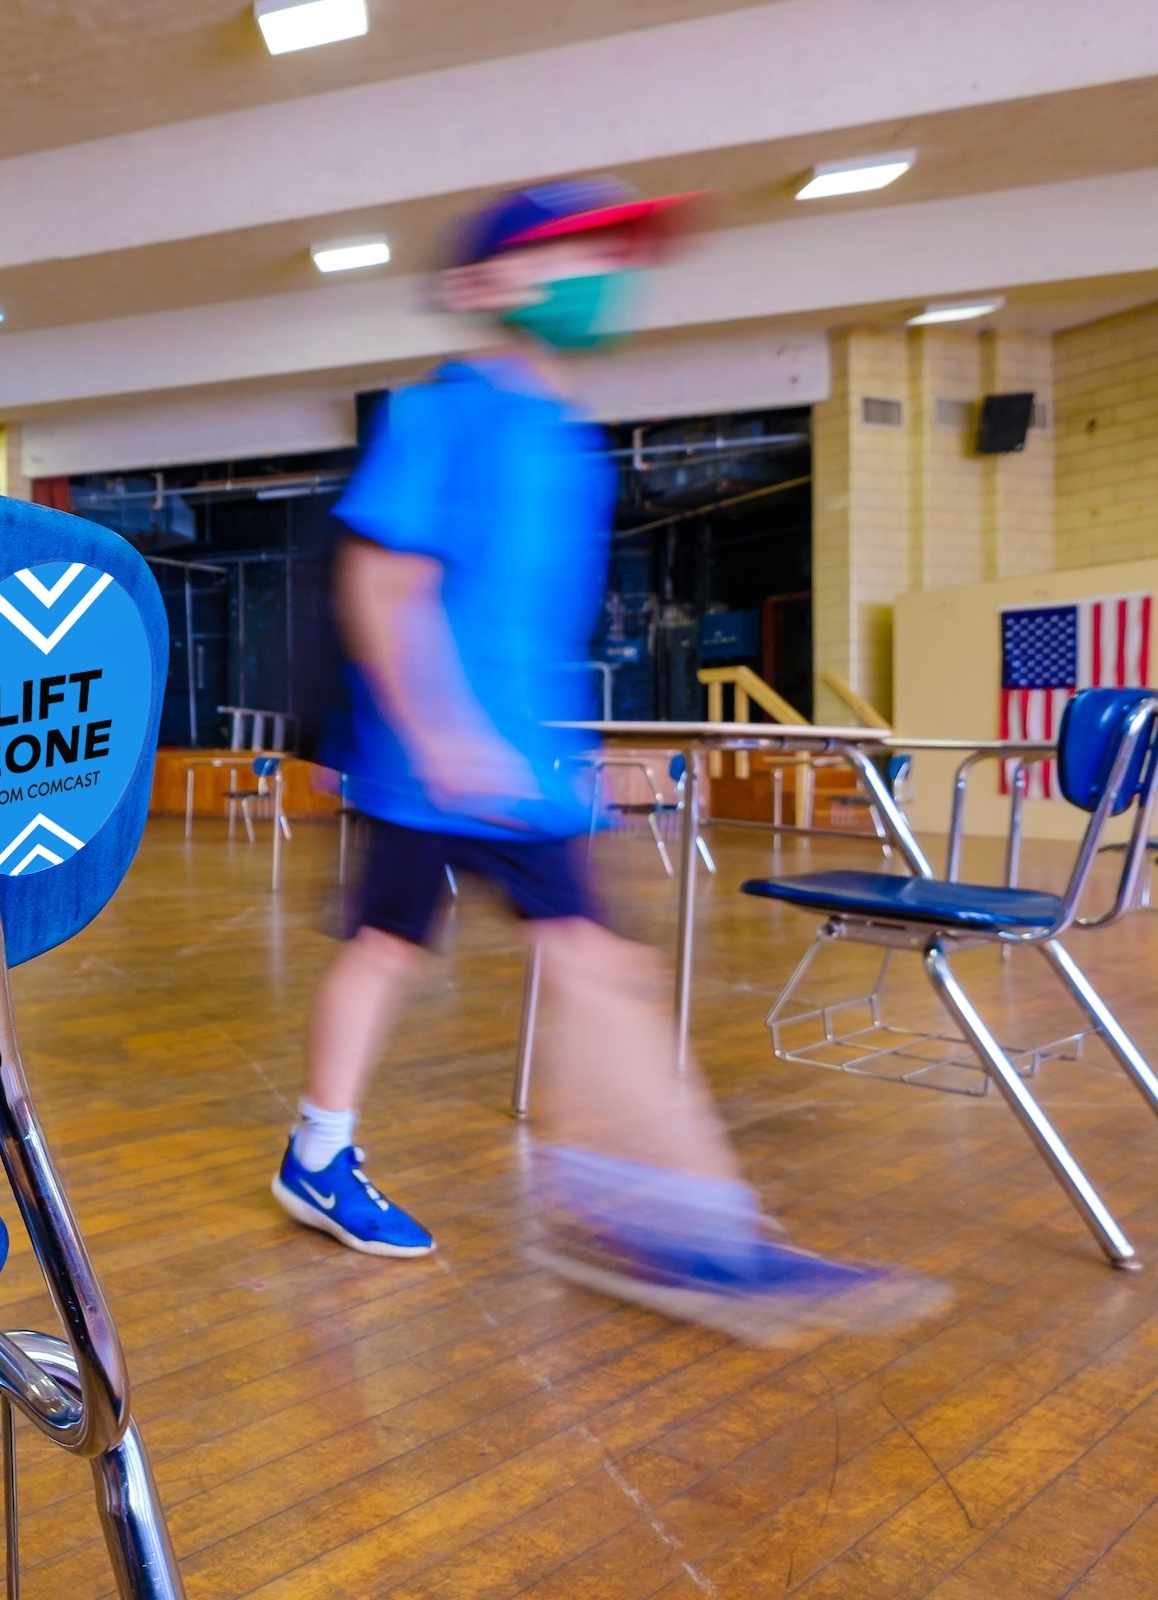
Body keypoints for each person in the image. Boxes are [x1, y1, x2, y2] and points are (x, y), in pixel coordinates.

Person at [269, 178, 945, 1343]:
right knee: (401, 957)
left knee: (572, 969)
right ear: (482, 285)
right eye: (566, 253)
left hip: (519, 767)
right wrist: (442, 736)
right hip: (433, 765)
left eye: (609, 254)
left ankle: (678, 1227)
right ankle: (342, 1159)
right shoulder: (448, 414)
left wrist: (550, 754)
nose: (598, 275)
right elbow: (381, 584)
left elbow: (525, 624)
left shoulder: (564, 441)